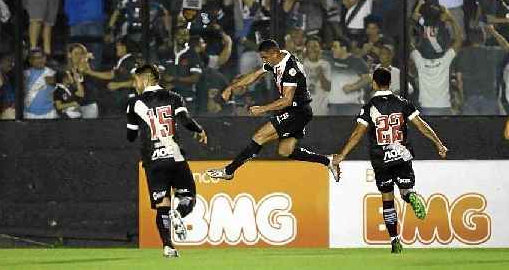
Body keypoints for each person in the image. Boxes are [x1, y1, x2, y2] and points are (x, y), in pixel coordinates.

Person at [331, 67, 448, 253]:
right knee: (405, 191)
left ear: (374, 83)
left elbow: (357, 134)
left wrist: (342, 155)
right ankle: (411, 197)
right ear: (390, 83)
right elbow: (421, 125)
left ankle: (394, 240)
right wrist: (439, 143)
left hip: (381, 159)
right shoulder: (402, 103)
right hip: (401, 155)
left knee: (387, 200)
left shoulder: (369, 107)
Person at [206, 39, 340, 181]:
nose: (264, 61)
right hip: (296, 111)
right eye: (262, 57)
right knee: (285, 151)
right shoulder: (278, 58)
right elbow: (255, 75)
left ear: (275, 54)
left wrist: (262, 109)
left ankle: (229, 170)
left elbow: (287, 100)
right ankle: (329, 161)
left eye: (265, 57)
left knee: (259, 136)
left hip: (297, 112)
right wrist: (231, 87)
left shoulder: (290, 69)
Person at [126, 64, 207, 258]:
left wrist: (138, 127)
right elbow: (185, 120)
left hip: (153, 161)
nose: (134, 85)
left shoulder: (134, 103)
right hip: (175, 157)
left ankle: (168, 247)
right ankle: (178, 213)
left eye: (136, 80)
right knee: (188, 197)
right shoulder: (174, 97)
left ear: (145, 79)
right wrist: (199, 130)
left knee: (163, 205)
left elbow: (130, 135)